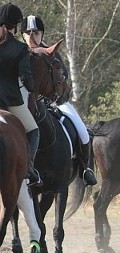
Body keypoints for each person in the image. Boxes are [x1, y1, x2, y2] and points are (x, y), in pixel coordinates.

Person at [20, 14, 97, 186]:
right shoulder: (18, 53)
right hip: (23, 103)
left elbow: (64, 75)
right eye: (28, 32)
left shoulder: (51, 52)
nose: (32, 36)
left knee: (82, 130)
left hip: (53, 102)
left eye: (36, 32)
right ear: (22, 35)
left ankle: (85, 168)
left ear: (42, 34)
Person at [0, 3, 42, 187]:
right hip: (9, 100)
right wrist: (33, 86)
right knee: (33, 130)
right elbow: (25, 77)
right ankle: (28, 167)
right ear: (16, 25)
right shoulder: (20, 48)